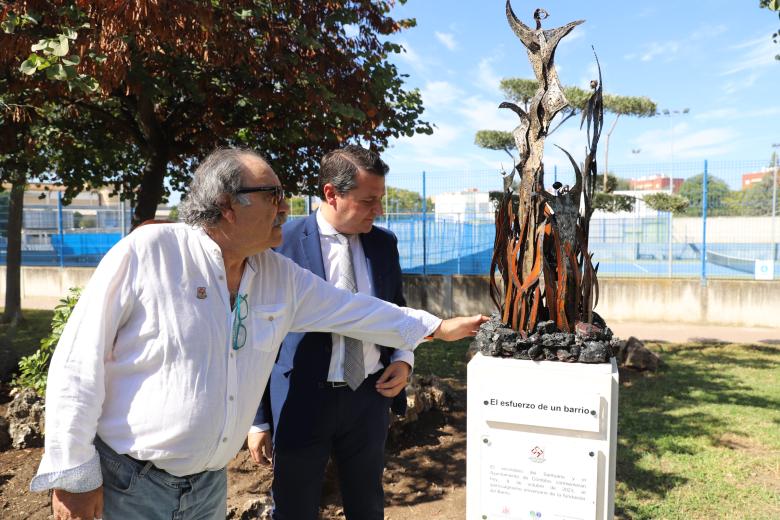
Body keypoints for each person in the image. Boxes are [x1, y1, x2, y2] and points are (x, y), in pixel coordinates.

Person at [30, 147, 486, 520]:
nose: (286, 207)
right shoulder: (150, 253)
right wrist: (72, 473)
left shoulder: (276, 275)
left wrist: (436, 328)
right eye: (272, 194)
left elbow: (356, 311)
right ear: (228, 205)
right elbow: (76, 366)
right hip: (129, 485)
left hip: (208, 487)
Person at [246, 145, 422, 519]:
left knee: (368, 506)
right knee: (294, 508)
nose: (378, 210)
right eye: (368, 200)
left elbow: (395, 308)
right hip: (301, 400)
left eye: (381, 200)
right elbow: (258, 335)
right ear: (331, 194)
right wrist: (258, 418)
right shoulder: (282, 243)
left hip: (369, 399)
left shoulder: (383, 243)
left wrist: (404, 360)